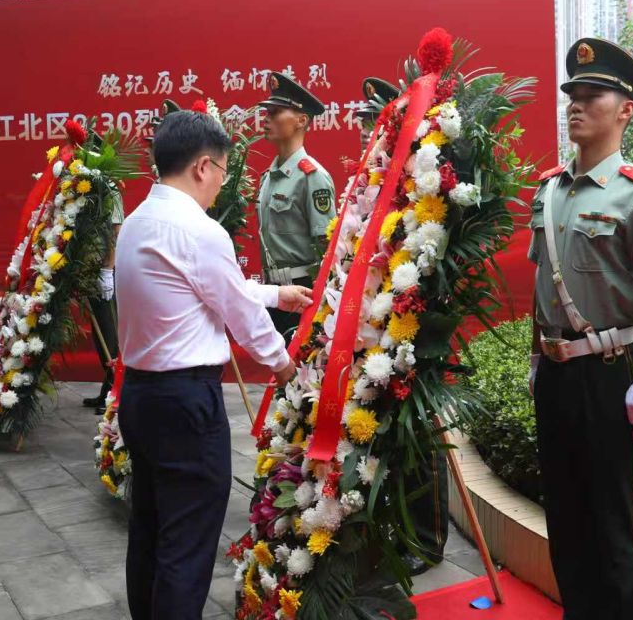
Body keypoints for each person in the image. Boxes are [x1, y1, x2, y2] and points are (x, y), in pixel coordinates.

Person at [114, 110, 312, 620]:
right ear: (203, 166)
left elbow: (203, 287)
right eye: (223, 173)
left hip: (141, 397)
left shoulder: (139, 223)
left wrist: (277, 293)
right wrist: (286, 368)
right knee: (187, 544)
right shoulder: (198, 230)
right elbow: (237, 312)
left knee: (152, 531)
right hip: (186, 407)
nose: (221, 187)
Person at [530, 38, 633, 620]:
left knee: (613, 520)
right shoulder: (550, 189)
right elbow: (545, 286)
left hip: (612, 374)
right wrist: (538, 359)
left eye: (592, 96)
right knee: (564, 515)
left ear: (625, 110)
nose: (576, 105)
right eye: (572, 95)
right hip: (559, 374)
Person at [357, 76, 449, 575]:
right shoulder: (375, 180)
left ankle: (430, 537)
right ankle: (397, 525)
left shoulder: (424, 168)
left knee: (421, 430)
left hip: (416, 317)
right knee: (388, 425)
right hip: (378, 317)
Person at [256, 72, 337, 336]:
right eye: (267, 112)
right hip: (274, 292)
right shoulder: (269, 177)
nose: (266, 118)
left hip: (304, 290)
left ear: (302, 120)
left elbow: (326, 247)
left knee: (302, 371)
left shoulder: (312, 177)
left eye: (276, 112)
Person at [83, 186, 124, 411]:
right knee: (99, 335)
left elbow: (115, 232)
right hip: (88, 271)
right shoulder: (83, 187)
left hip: (103, 271)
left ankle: (115, 393)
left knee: (109, 335)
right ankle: (106, 389)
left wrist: (108, 269)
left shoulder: (110, 190)